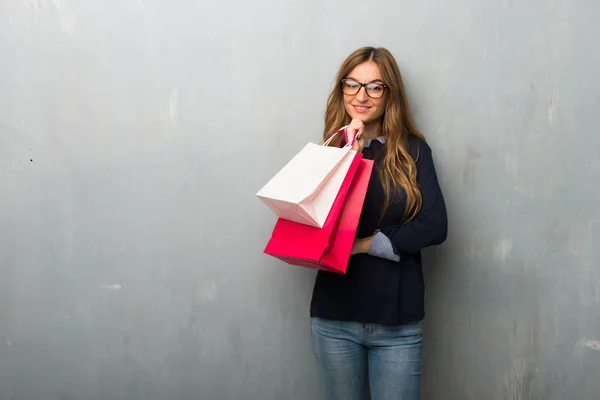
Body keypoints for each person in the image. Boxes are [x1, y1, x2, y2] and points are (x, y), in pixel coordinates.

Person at [309, 46, 448, 400]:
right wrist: (347, 160)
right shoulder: (327, 153)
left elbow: (435, 225)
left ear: (391, 95)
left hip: (396, 321)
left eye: (375, 86)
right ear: (342, 89)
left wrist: (365, 245)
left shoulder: (415, 152)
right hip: (334, 318)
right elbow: (316, 229)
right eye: (352, 84)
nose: (361, 96)